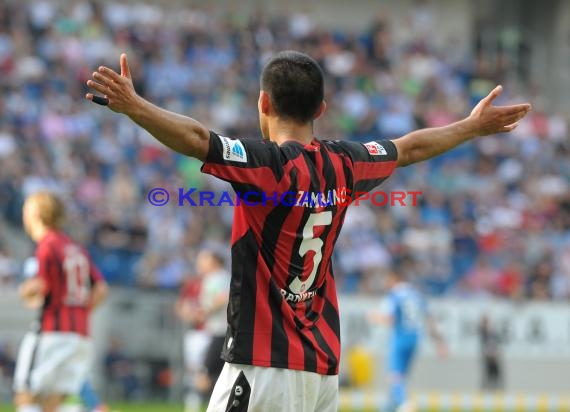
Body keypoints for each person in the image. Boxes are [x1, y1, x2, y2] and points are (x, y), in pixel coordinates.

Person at [86, 51, 530, 411]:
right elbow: (411, 146)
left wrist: (135, 107)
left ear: (263, 102)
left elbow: (198, 139)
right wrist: (472, 126)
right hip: (321, 371)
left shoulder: (263, 163)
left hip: (262, 365)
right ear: (321, 108)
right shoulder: (346, 162)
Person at [13, 192, 109, 412]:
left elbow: (39, 287)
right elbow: (101, 289)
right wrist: (81, 312)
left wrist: (25, 290)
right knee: (53, 404)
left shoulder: (47, 245)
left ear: (35, 214)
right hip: (80, 335)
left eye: (26, 209)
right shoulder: (75, 247)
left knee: (26, 396)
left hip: (51, 333)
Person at [369, 271, 447, 412]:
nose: (386, 284)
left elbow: (390, 318)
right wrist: (440, 344)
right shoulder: (417, 295)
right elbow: (430, 319)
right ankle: (389, 408)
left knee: (394, 376)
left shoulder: (395, 295)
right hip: (415, 339)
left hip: (400, 338)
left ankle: (406, 404)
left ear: (394, 278)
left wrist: (375, 317)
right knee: (401, 378)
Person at [176, 248, 230, 410]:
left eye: (203, 259)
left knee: (203, 376)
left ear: (213, 261)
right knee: (215, 375)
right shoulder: (217, 277)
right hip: (217, 332)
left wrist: (203, 311)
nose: (199, 263)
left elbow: (223, 297)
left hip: (220, 333)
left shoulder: (217, 277)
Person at [478, 315, 503, 391]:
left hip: (493, 358)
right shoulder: (484, 335)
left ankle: (495, 389)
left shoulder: (494, 335)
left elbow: (497, 345)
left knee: (495, 375)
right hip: (488, 358)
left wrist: (495, 354)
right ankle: (487, 389)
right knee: (488, 375)